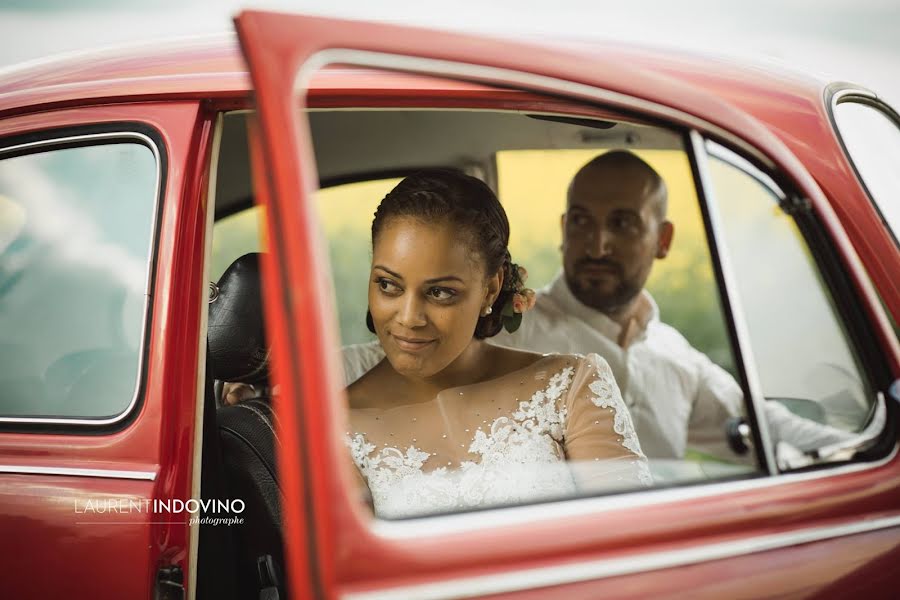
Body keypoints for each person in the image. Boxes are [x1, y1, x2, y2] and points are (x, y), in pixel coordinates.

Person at [342, 151, 852, 464]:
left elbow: (763, 426)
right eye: (582, 222)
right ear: (564, 229)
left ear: (664, 239)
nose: (598, 244)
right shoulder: (503, 333)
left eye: (623, 224)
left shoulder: (676, 358)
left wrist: (860, 448)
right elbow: (393, 355)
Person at [344, 169, 651, 518]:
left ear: (490, 288)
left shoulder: (571, 386)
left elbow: (634, 536)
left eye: (440, 292)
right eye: (388, 285)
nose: (409, 317)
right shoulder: (334, 427)